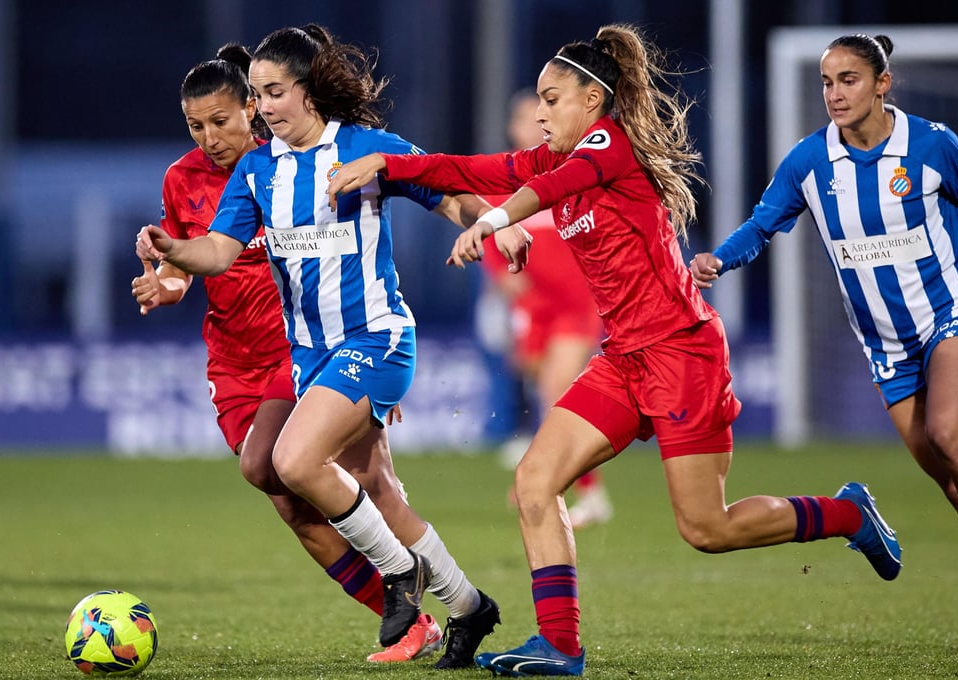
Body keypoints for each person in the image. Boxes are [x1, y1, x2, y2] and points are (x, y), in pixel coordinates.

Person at [327, 23, 902, 676]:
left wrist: (490, 221)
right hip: (625, 358)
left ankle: (847, 513)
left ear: (592, 101)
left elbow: (538, 192)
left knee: (706, 529)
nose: (541, 114)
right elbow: (475, 169)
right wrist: (392, 166)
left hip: (682, 353)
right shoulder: (561, 158)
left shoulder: (607, 143)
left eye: (552, 100)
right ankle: (560, 647)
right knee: (535, 481)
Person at [689, 34, 958, 655]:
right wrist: (720, 259)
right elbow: (762, 224)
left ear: (882, 83)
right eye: (827, 82)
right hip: (886, 345)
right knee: (954, 483)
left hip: (954, 313)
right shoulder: (810, 161)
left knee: (951, 435)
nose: (834, 94)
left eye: (848, 79)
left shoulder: (930, 145)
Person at [134, 25, 500, 669]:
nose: (264, 107)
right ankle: (470, 607)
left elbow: (445, 191)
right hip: (310, 357)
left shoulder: (363, 147)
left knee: (292, 461)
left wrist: (497, 223)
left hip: (375, 338)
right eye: (259, 94)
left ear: (308, 89)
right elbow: (216, 252)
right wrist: (173, 252)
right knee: (376, 492)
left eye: (274, 93)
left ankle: (399, 575)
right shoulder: (257, 171)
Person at [482, 88, 611, 528]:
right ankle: (572, 484)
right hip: (534, 309)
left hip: (576, 305)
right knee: (547, 393)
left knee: (559, 390)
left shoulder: (572, 170)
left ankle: (557, 482)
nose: (535, 124)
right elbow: (492, 239)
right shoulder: (505, 181)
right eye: (525, 118)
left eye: (540, 115)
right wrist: (505, 282)